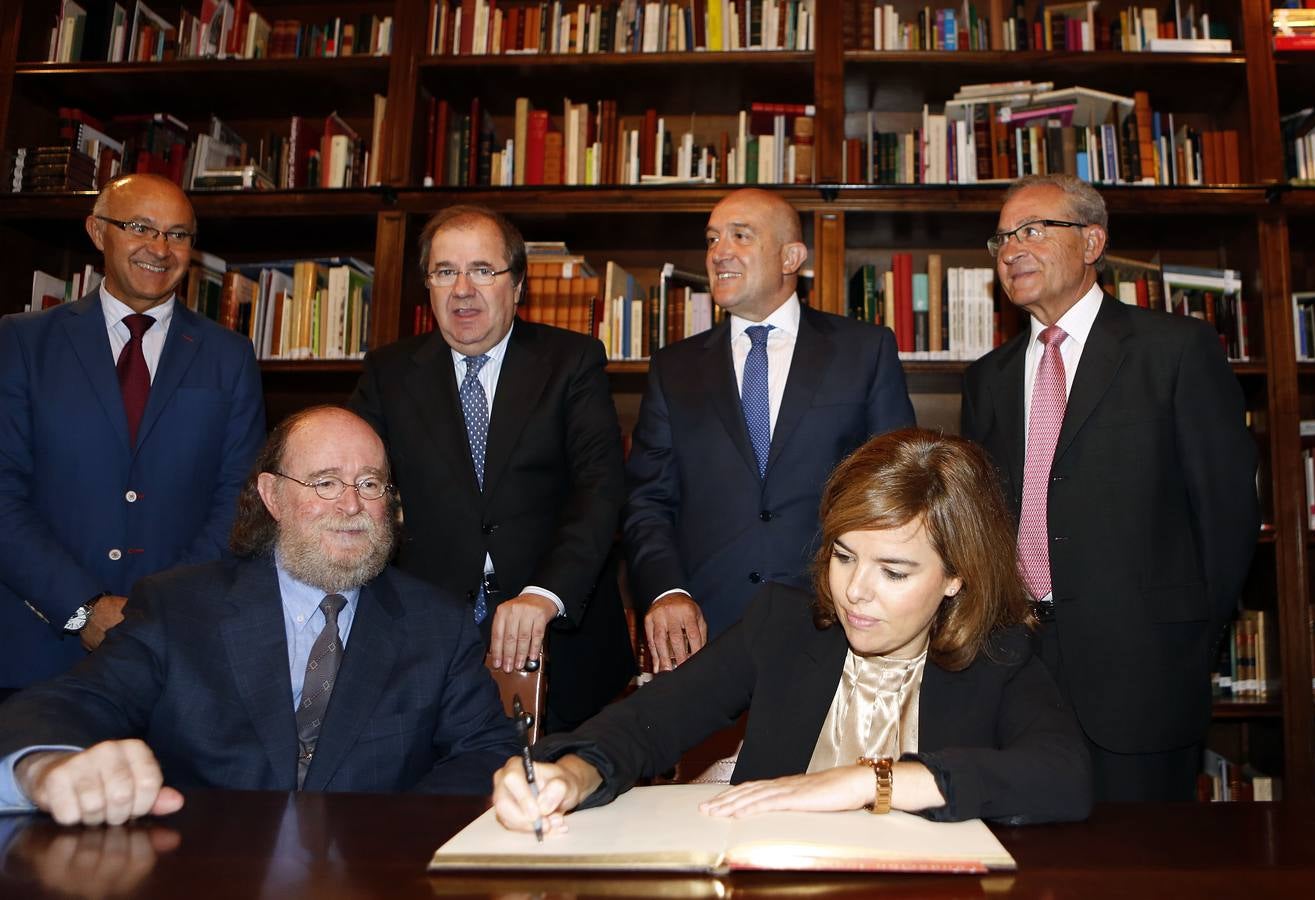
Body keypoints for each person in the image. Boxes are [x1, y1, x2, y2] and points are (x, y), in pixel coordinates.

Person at [492, 429, 1092, 829]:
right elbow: (651, 722)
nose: (856, 590)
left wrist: (869, 781)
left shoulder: (998, 652)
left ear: (957, 576)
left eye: (894, 570)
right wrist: (571, 772)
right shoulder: (784, 623)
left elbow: (1062, 777)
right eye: (844, 555)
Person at [0, 406, 518, 825]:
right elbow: (75, 701)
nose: (352, 505)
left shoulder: (437, 623)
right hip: (201, 870)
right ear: (272, 495)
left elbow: (487, 750)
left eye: (370, 483)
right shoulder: (178, 606)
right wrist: (43, 766)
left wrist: (396, 830)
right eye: (325, 483)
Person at [961, 174, 1260, 803]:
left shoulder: (1175, 349)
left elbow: (1226, 512)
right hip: (1015, 661)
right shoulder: (988, 377)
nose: (1011, 248)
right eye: (1002, 237)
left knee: (1142, 865)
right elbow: (982, 520)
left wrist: (1185, 638)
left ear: (1092, 241)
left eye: (1034, 230)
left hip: (1144, 665)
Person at [350, 204, 633, 731]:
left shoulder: (571, 361)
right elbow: (357, 485)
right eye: (445, 272)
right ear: (428, 287)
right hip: (425, 639)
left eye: (483, 270)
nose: (462, 289)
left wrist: (544, 594)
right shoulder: (389, 374)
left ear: (517, 283)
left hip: (562, 641)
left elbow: (599, 490)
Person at [624, 187, 914, 671]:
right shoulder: (673, 368)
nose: (719, 252)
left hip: (835, 626)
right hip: (703, 634)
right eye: (713, 239)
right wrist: (666, 590)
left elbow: (897, 489)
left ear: (791, 257)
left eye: (741, 235)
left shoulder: (865, 351)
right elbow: (647, 501)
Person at [0, 173, 265, 693]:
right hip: (38, 648)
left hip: (178, 653)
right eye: (140, 227)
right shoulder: (21, 343)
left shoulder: (229, 357)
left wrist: (152, 614)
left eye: (178, 234)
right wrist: (83, 609)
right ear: (98, 232)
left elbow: (239, 504)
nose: (159, 249)